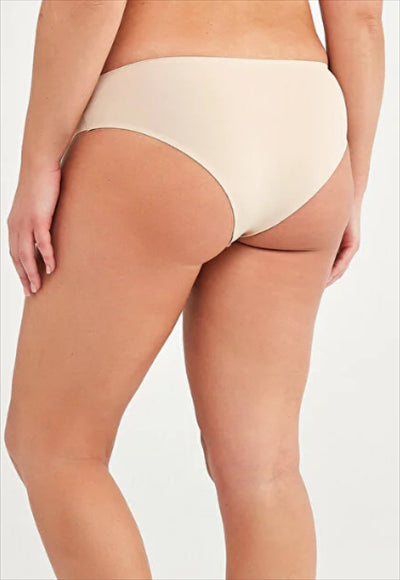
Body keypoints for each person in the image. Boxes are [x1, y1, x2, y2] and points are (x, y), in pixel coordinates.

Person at [4, 1, 384, 579]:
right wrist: (353, 183)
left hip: (166, 106)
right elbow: (361, 17)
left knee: (57, 447)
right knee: (263, 471)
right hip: (308, 122)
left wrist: (39, 161)